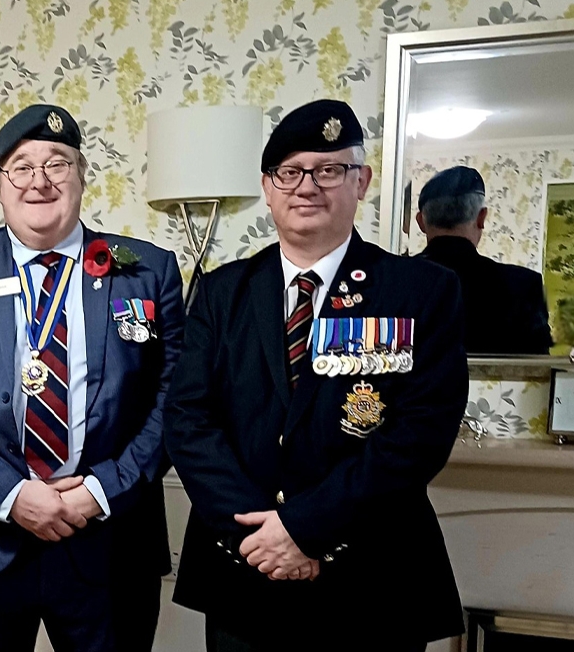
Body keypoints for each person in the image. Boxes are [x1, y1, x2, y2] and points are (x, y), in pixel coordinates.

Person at [164, 99, 468, 651]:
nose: (307, 186)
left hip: (373, 579)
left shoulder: (421, 290)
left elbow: (419, 434)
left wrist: (304, 530)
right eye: (290, 172)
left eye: (329, 170)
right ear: (267, 186)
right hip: (244, 575)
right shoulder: (220, 291)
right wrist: (256, 538)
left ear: (362, 181)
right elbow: (188, 419)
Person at [0, 104, 185, 652]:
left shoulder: (147, 269)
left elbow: (174, 399)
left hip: (108, 542)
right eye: (22, 167)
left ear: (82, 175)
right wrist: (10, 494)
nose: (40, 181)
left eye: (57, 163)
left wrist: (103, 491)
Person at [416, 165, 552, 355]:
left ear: (421, 221)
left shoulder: (393, 280)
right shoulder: (523, 285)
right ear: (482, 217)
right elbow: (538, 374)